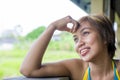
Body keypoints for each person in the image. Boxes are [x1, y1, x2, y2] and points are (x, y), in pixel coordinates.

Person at [20, 14, 120, 80]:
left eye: (85, 33)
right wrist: (52, 27)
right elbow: (28, 70)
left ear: (105, 37)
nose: (79, 43)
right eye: (76, 39)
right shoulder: (78, 68)